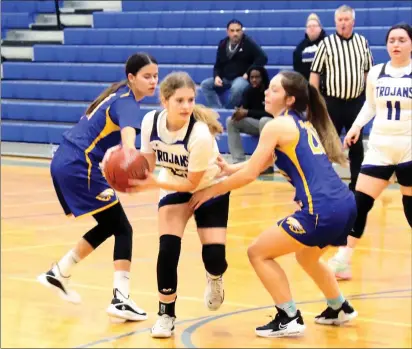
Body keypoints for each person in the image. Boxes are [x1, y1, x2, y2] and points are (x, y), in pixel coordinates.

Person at [189, 70, 358, 338]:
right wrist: (229, 169)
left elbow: (251, 174)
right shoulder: (300, 123)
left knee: (258, 252)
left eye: (275, 90)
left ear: (290, 99)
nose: (267, 92)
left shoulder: (276, 126)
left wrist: (211, 192)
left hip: (322, 210)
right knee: (306, 256)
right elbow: (264, 161)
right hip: (345, 205)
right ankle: (339, 307)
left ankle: (288, 315)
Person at [37, 53, 159, 323]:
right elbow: (128, 140)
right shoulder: (127, 104)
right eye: (147, 76)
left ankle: (60, 271)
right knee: (123, 228)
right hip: (80, 165)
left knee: (110, 225)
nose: (153, 82)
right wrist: (132, 160)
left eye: (155, 76)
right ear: (131, 78)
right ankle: (120, 298)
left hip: (66, 160)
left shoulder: (116, 95)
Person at [127, 72, 230, 338]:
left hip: (210, 187)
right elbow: (149, 164)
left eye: (191, 100)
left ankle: (215, 278)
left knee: (215, 258)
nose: (186, 106)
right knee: (168, 248)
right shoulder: (151, 121)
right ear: (164, 101)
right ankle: (165, 313)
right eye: (180, 100)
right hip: (174, 184)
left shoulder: (200, 135)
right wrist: (128, 171)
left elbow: (193, 182)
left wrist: (151, 183)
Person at [328, 23, 412, 280]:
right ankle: (343, 260)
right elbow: (370, 105)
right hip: (380, 148)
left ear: (411, 44)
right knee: (358, 204)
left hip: (409, 148)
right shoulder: (376, 72)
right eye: (391, 40)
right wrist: (355, 128)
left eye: (401, 39)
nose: (396, 44)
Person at [310, 5, 373, 191]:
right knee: (327, 143)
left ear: (353, 22)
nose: (343, 23)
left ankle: (356, 184)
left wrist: (369, 99)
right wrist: (315, 102)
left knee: (356, 146)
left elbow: (368, 72)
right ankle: (324, 183)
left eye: (347, 19)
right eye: (340, 20)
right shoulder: (326, 44)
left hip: (356, 103)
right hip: (332, 103)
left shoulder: (362, 42)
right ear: (335, 22)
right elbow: (315, 73)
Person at [200, 19, 268, 109]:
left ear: (242, 31)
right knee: (205, 84)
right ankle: (216, 109)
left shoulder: (248, 42)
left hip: (241, 78)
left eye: (238, 30)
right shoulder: (223, 44)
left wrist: (248, 72)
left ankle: (227, 111)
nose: (235, 33)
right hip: (225, 78)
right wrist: (217, 76)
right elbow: (218, 65)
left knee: (237, 88)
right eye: (232, 31)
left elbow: (263, 58)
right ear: (227, 32)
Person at [226, 66, 273, 172]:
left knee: (264, 120)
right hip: (256, 124)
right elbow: (245, 109)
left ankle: (267, 164)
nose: (254, 80)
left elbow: (272, 114)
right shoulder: (248, 91)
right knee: (231, 121)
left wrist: (248, 112)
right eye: (252, 77)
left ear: (263, 77)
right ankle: (238, 161)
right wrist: (239, 112)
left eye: (257, 77)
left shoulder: (270, 91)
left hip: (272, 125)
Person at [293, 13, 326, 81]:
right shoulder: (300, 48)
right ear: (306, 30)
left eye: (314, 25)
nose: (312, 28)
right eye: (309, 26)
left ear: (320, 28)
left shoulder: (328, 43)